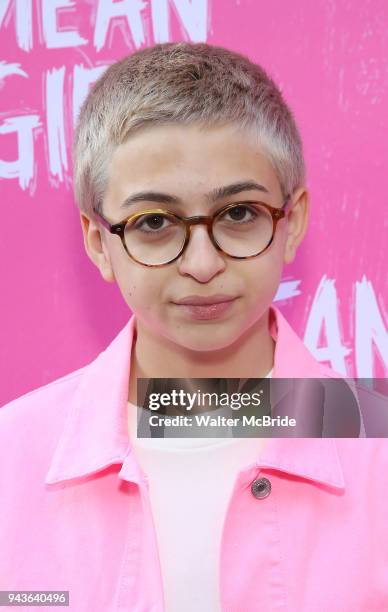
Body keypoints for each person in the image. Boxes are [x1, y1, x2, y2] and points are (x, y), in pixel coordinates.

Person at [0, 42, 387, 612]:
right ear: (98, 243)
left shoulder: (377, 442)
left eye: (238, 213)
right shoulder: (12, 455)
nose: (202, 265)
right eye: (153, 222)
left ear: (293, 220)